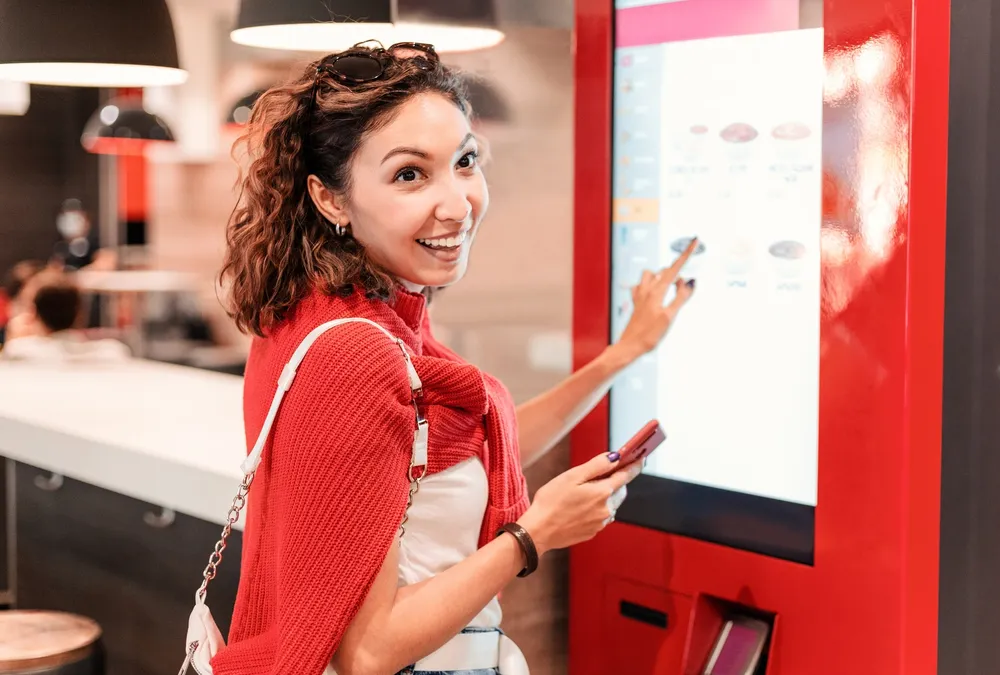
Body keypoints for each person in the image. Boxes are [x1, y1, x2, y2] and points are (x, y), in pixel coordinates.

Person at [212, 42, 696, 675]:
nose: (456, 203)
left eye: (464, 161)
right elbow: (368, 651)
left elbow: (458, 455)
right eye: (410, 174)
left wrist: (622, 356)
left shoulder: (346, 309)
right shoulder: (355, 353)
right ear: (330, 199)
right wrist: (533, 536)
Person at [0, 270, 130, 363]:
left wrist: (12, 338)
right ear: (80, 314)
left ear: (33, 314)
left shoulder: (19, 354)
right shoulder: (114, 353)